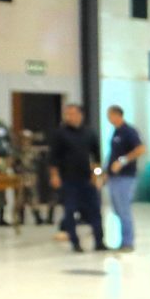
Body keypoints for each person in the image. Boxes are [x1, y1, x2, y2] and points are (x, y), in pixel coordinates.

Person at [48, 102, 106, 253]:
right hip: (68, 179)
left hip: (87, 179)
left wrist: (97, 175)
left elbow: (97, 158)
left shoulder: (89, 133)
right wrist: (54, 176)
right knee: (70, 211)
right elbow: (53, 158)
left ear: (80, 115)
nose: (69, 117)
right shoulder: (60, 134)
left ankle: (99, 241)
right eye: (67, 114)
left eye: (72, 114)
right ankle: (75, 242)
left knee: (95, 210)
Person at [105, 105, 144, 253]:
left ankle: (128, 242)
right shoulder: (116, 132)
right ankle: (123, 240)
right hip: (114, 177)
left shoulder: (129, 131)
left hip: (125, 177)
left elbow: (140, 149)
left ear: (117, 115)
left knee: (124, 209)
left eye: (110, 115)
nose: (109, 119)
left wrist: (122, 161)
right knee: (117, 209)